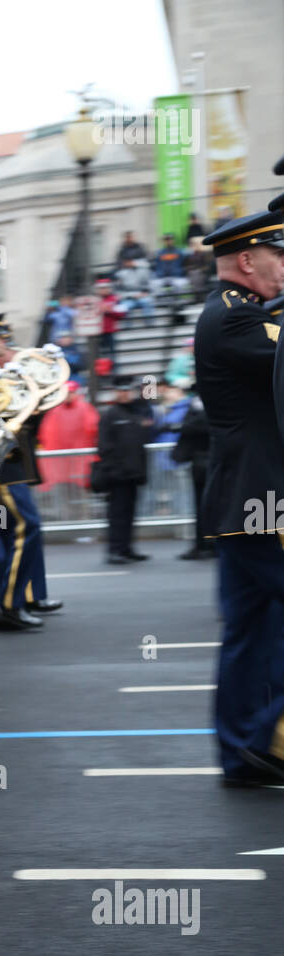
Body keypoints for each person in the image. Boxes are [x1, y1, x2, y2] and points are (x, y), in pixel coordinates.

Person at [195, 209, 284, 784]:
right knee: (250, 631)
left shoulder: (238, 314)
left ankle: (241, 753)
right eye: (279, 256)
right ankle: (264, 741)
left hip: (243, 501)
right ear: (248, 261)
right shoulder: (234, 319)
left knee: (249, 632)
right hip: (261, 500)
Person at [0, 316, 62, 628]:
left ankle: (10, 601)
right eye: (0, 338)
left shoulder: (11, 372)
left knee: (10, 533)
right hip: (3, 468)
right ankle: (7, 603)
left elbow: (29, 421)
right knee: (23, 528)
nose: (6, 343)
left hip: (16, 463)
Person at [94, 374, 154, 564]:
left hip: (133, 473)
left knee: (129, 514)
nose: (125, 394)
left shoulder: (136, 412)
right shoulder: (110, 415)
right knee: (117, 515)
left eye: (128, 390)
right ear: (115, 392)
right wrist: (114, 470)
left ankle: (126, 548)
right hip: (118, 475)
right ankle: (115, 550)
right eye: (121, 391)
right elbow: (104, 446)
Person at [171, 391, 214, 559]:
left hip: (206, 461)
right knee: (202, 506)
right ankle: (203, 544)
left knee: (206, 506)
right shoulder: (197, 406)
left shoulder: (202, 407)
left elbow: (195, 425)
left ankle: (206, 544)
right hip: (203, 462)